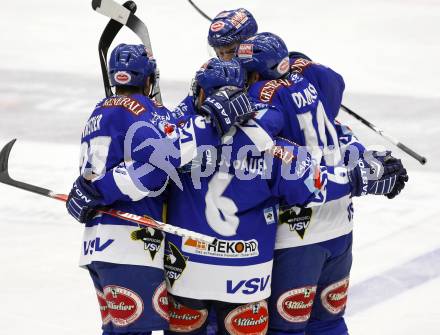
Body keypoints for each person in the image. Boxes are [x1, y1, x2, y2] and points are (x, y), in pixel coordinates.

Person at [162, 58, 406, 335]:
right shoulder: (272, 148)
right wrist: (359, 176)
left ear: (202, 94)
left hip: (186, 270)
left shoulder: (176, 138)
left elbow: (145, 164)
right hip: (247, 273)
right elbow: (313, 182)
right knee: (323, 324)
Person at [65, 43, 255, 335]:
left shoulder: (98, 111)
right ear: (149, 79)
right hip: (130, 245)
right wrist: (209, 123)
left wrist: (91, 188)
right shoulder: (144, 111)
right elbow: (153, 170)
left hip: (97, 247)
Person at [237, 32, 408, 335]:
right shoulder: (311, 84)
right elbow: (337, 96)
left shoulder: (264, 94)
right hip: (341, 226)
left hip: (299, 231)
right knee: (329, 322)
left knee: (286, 329)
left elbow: (252, 141)